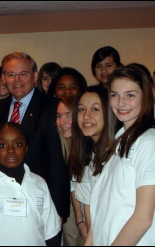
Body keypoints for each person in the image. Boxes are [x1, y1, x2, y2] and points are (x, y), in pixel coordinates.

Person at [85, 65, 155, 245]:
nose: (121, 103)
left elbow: (143, 218)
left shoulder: (150, 143)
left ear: (145, 97)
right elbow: (102, 209)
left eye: (130, 95)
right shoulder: (117, 141)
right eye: (114, 95)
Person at [0, 52, 70, 226]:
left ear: (35, 76)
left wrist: (58, 210)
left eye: (23, 74)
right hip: (3, 200)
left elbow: (58, 162)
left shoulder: (51, 107)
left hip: (41, 202)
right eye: (11, 74)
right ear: (3, 78)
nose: (17, 80)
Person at [69, 86, 117, 244]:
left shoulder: (120, 153)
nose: (86, 116)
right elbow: (88, 207)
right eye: (81, 109)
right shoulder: (86, 155)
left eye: (95, 109)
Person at [56, 95, 85, 246]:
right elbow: (73, 186)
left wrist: (81, 220)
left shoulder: (88, 147)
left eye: (69, 115)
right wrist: (79, 220)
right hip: (77, 210)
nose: (63, 122)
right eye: (59, 116)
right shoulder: (66, 147)